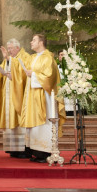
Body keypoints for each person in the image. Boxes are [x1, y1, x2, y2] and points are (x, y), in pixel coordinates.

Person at [18, 33, 66, 162]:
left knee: (44, 124)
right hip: (33, 97)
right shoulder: (34, 57)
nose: (31, 42)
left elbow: (49, 77)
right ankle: (36, 152)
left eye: (34, 40)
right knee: (35, 127)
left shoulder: (48, 58)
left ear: (41, 42)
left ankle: (45, 152)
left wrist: (33, 74)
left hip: (45, 98)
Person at [0, 38, 28, 158]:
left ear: (17, 48)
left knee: (18, 121)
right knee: (9, 120)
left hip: (18, 96)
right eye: (8, 49)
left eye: (11, 48)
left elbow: (23, 74)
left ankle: (23, 149)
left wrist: (8, 59)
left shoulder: (24, 57)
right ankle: (12, 149)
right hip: (7, 95)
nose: (9, 51)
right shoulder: (9, 59)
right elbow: (0, 73)